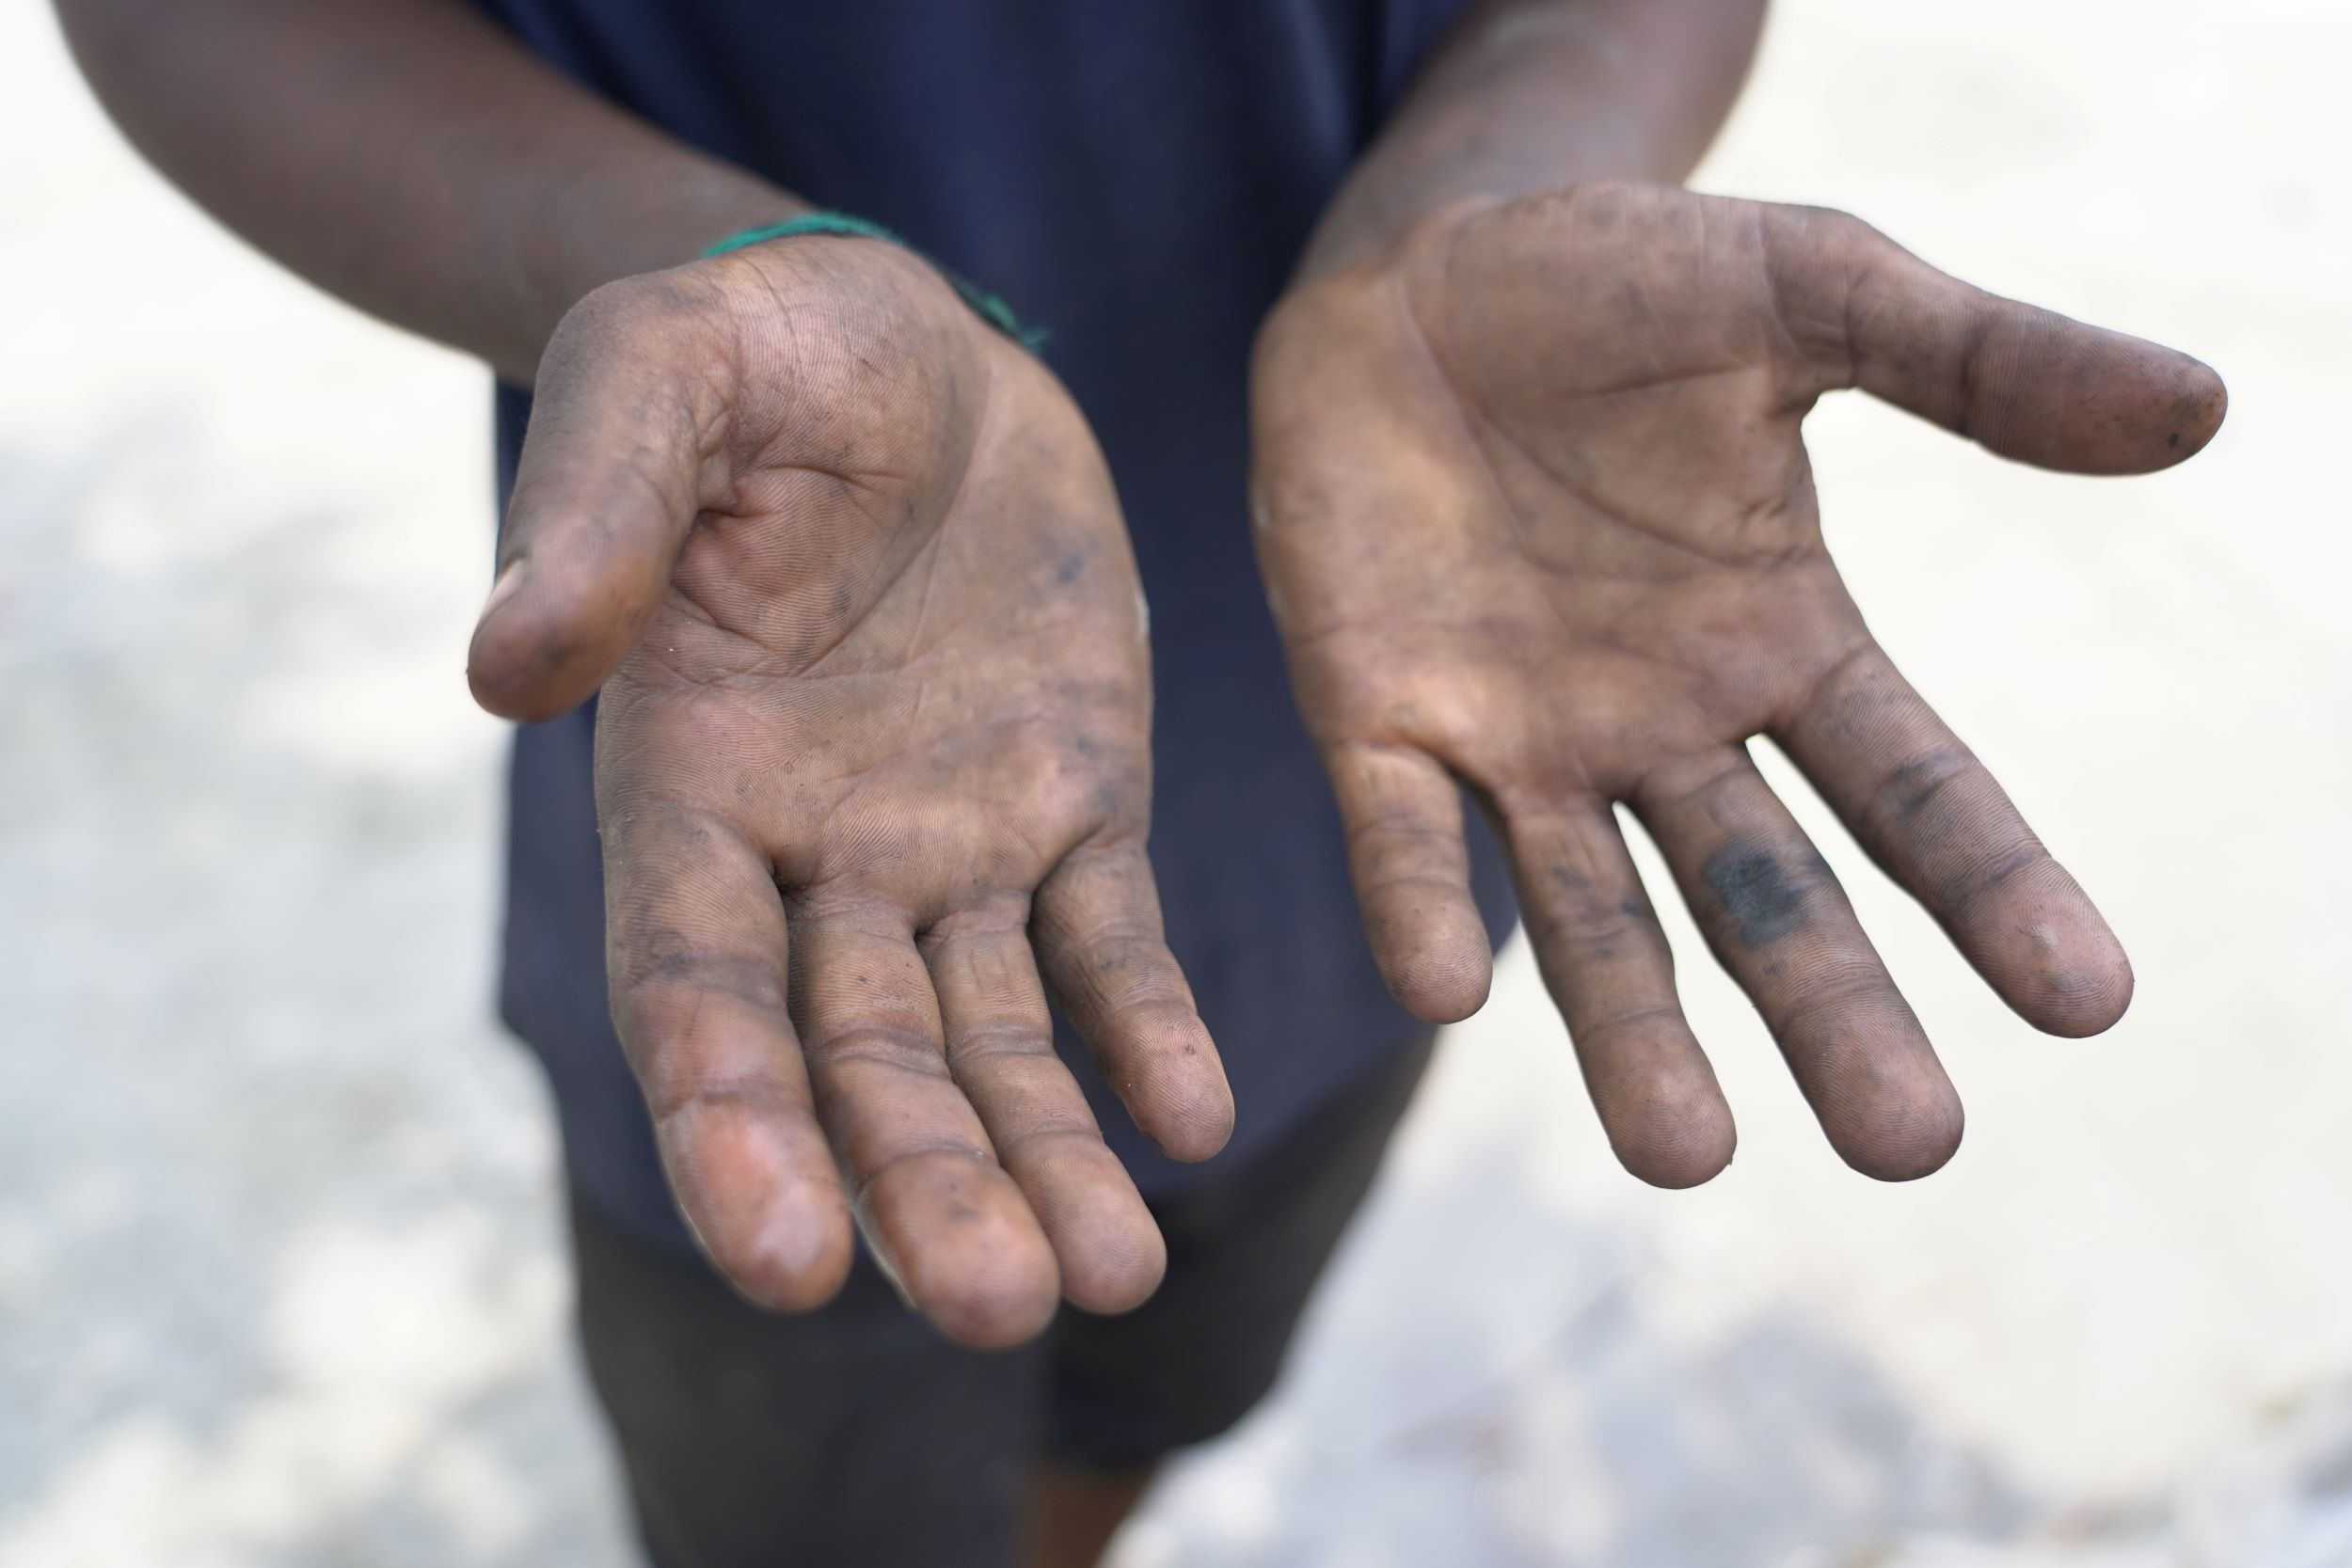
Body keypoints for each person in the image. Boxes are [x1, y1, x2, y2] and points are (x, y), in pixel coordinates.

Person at [54, 0, 2224, 1562]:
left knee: (1156, 1393)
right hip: (774, 835)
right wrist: (683, 259)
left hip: (1397, 794)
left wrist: (1474, 177)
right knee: (801, 1492)